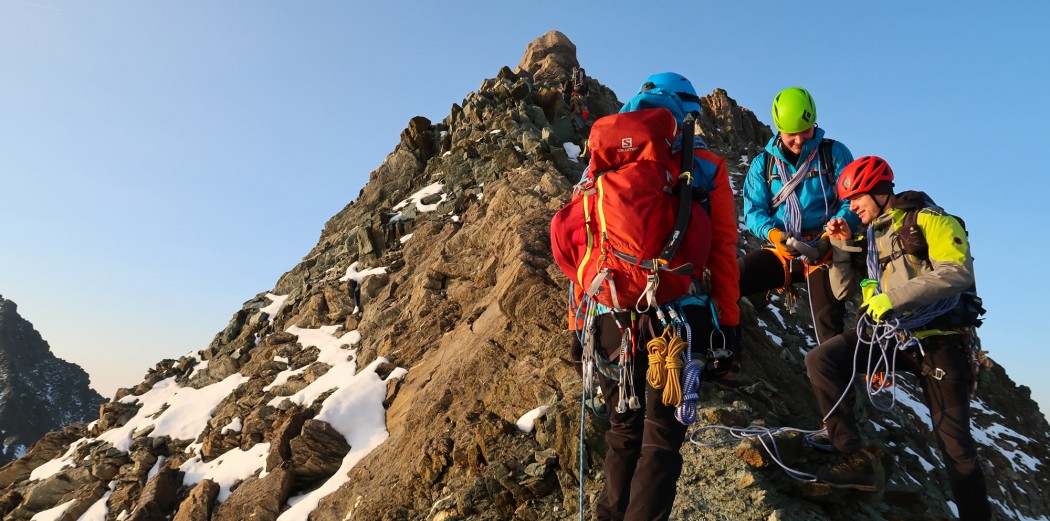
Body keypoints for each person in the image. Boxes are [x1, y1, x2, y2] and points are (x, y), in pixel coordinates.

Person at [576, 72, 740, 521]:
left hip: (608, 316)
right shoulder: (704, 163)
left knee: (622, 430)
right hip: (674, 316)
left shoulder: (604, 155)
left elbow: (591, 239)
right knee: (661, 437)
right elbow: (723, 247)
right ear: (687, 110)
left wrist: (578, 325)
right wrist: (729, 323)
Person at [805, 156, 990, 520]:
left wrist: (893, 298)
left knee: (957, 451)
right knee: (822, 360)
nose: (853, 207)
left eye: (856, 198)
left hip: (941, 343)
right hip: (896, 340)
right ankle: (852, 456)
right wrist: (842, 248)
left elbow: (958, 273)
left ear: (877, 191)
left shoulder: (929, 219)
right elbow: (842, 292)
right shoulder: (873, 237)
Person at [740, 87, 859, 349]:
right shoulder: (763, 164)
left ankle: (840, 384)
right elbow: (753, 212)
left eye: (806, 131)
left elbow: (852, 201)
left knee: (828, 334)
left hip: (825, 252)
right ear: (778, 129)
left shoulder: (834, 154)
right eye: (791, 133)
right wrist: (774, 236)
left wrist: (832, 234)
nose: (799, 140)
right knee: (732, 281)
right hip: (784, 250)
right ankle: (726, 362)